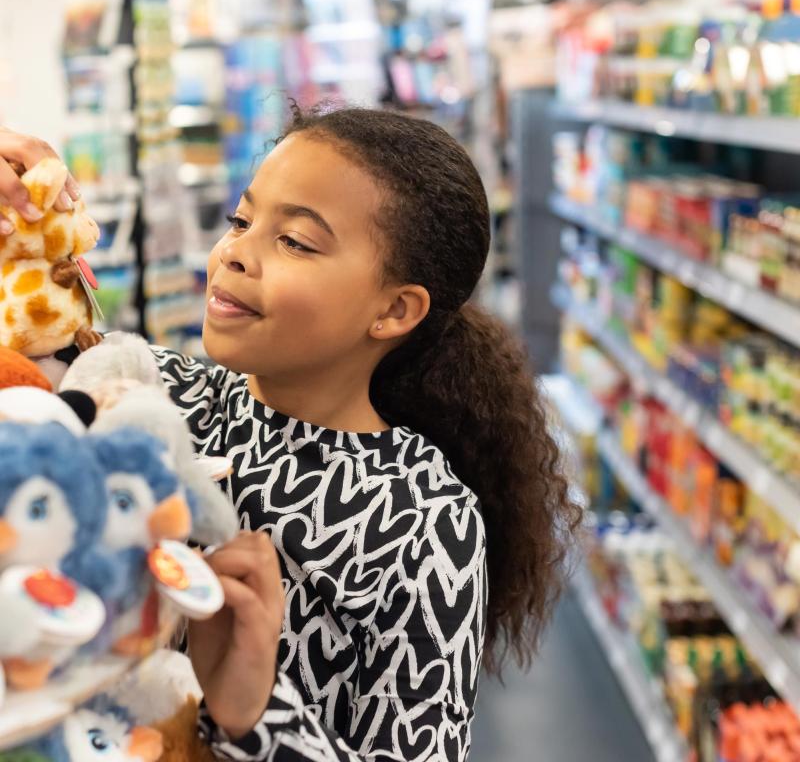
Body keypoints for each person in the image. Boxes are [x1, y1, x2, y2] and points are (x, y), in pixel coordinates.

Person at [0, 110, 581, 761]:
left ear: (395, 309)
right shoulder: (148, 398)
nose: (235, 254)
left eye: (296, 242)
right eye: (242, 222)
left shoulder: (419, 520)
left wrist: (254, 712)